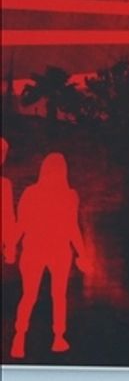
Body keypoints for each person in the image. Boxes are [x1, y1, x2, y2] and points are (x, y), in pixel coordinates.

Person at [8, 153, 90, 358]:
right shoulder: (70, 195)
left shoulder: (31, 193)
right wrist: (82, 254)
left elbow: (21, 224)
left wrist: (11, 245)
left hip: (33, 249)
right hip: (59, 250)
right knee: (59, 296)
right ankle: (58, 338)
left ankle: (19, 338)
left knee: (28, 295)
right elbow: (72, 228)